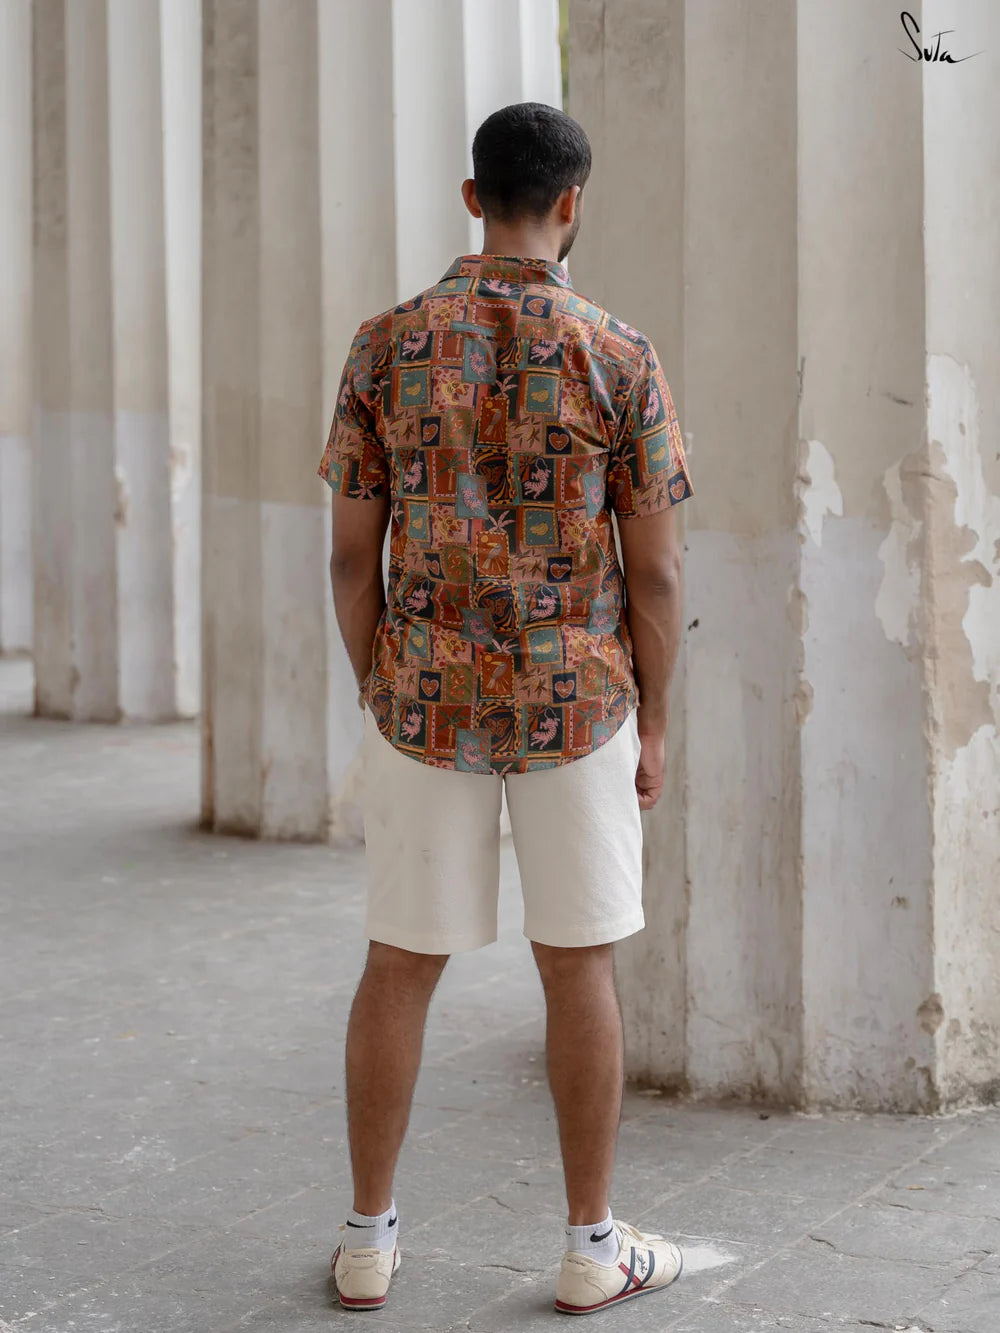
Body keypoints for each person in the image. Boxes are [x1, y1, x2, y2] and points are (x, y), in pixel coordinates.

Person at [319, 102, 692, 1317]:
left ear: (471, 197)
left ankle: (369, 1240)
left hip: (424, 693)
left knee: (399, 963)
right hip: (576, 698)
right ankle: (591, 1245)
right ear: (571, 205)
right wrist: (658, 722)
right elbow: (659, 573)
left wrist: (384, 679)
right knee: (577, 967)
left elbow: (345, 559)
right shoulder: (618, 351)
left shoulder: (383, 346)